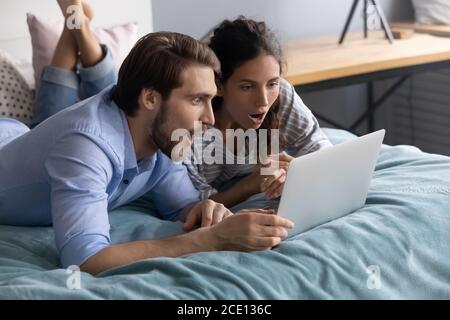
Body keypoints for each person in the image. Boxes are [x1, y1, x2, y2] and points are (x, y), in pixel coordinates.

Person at [0, 2, 294, 275]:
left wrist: (208, 210)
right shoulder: (86, 147)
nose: (211, 119)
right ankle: (75, 25)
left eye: (211, 100)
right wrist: (209, 240)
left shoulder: (165, 138)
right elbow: (85, 259)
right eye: (197, 100)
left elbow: (181, 208)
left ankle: (75, 26)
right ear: (150, 98)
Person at [185, 17, 332, 210]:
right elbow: (189, 207)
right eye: (247, 87)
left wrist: (299, 171)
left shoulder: (280, 95)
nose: (263, 101)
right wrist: (249, 186)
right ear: (219, 85)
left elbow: (315, 143)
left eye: (272, 83)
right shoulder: (192, 123)